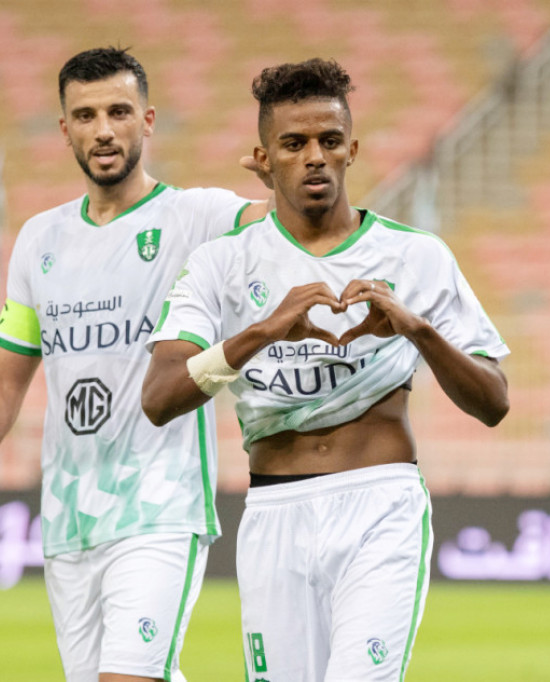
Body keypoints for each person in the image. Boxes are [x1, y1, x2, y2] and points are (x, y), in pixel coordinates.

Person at [142, 58, 510, 681]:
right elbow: (159, 397)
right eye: (294, 144)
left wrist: (418, 330)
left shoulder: (415, 256)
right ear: (265, 159)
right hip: (273, 511)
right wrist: (262, 332)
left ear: (351, 151)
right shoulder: (220, 264)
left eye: (330, 141)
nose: (314, 157)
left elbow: (494, 401)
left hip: (380, 506)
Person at [0, 47, 269, 682]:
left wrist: (284, 181)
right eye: (86, 115)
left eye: (118, 112)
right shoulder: (39, 239)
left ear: (147, 121)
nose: (103, 129)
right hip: (70, 517)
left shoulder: (196, 217)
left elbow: (291, 225)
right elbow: (5, 375)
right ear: (65, 129)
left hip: (161, 509)